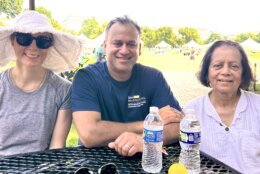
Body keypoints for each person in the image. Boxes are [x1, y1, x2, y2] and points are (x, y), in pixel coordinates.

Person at [72, 16, 183, 157]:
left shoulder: (154, 77)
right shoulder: (86, 77)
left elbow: (178, 126)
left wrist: (144, 140)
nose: (124, 50)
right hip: (95, 159)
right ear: (105, 46)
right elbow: (90, 134)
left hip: (143, 157)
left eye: (131, 44)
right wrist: (147, 125)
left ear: (139, 48)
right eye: (117, 43)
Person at [0, 11, 83, 156]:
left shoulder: (63, 90)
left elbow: (56, 147)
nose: (33, 47)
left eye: (43, 40)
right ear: (12, 41)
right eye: (24, 38)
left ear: (50, 45)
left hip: (42, 166)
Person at [184, 40, 260, 174]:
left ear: (243, 73)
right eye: (218, 65)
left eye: (234, 66)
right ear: (207, 73)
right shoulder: (191, 111)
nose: (226, 72)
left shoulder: (257, 106)